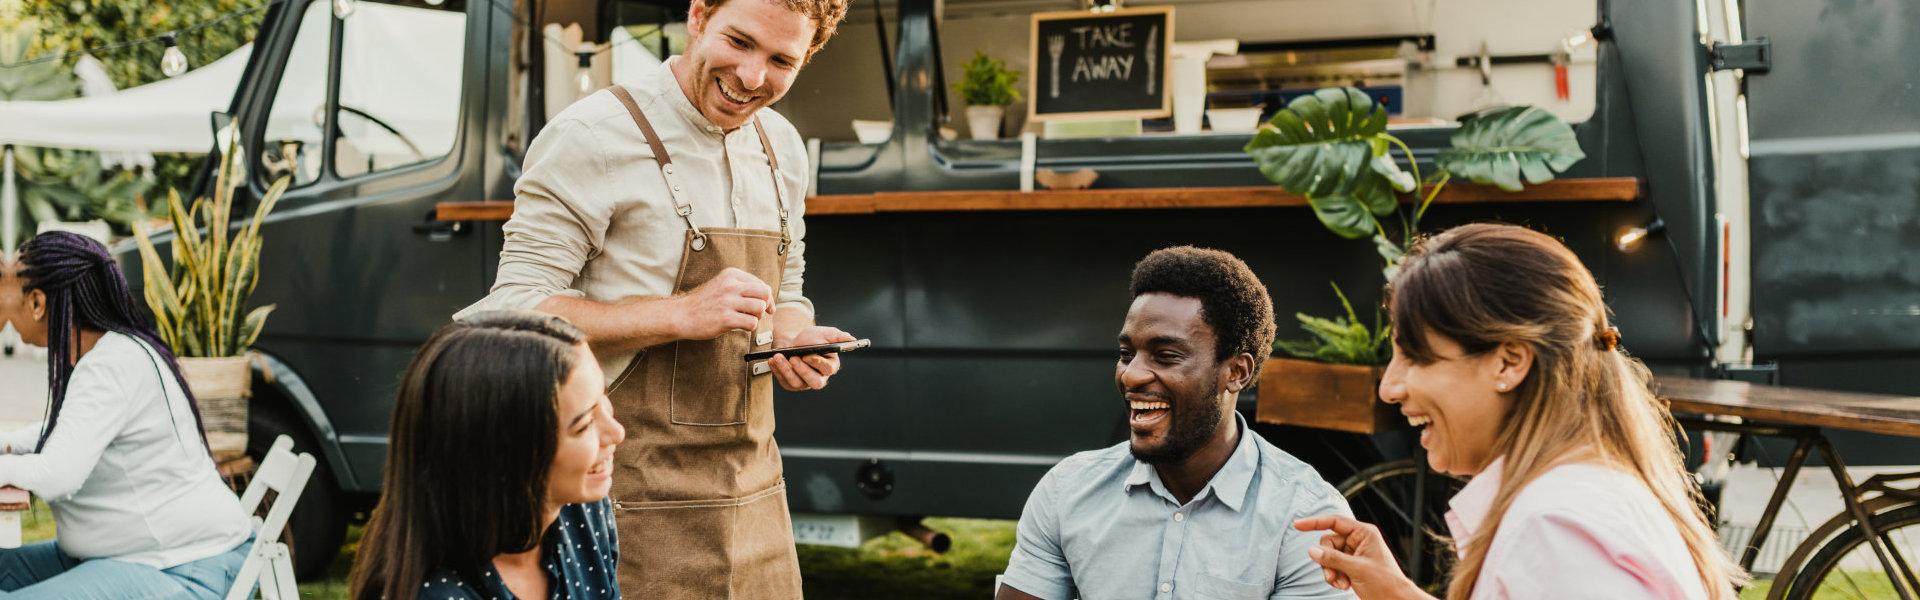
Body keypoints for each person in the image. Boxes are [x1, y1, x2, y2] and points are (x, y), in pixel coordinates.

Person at [457, 0, 853, 595]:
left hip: (755, 497)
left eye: (780, 60)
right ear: (697, 16)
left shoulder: (782, 147)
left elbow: (789, 290)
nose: (751, 78)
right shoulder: (591, 136)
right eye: (738, 42)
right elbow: (511, 312)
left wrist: (793, 337)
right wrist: (680, 313)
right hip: (620, 497)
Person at [1292, 223, 1746, 599]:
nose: (1389, 388)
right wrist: (1395, 591)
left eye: (1415, 356)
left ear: (1509, 362)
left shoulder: (1555, 532)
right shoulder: (1573, 505)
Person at [997, 246, 1358, 600]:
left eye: (1166, 356)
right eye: (1126, 354)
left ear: (1236, 372)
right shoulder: (1068, 491)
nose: (1132, 375)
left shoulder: (1306, 517)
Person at [0, 231, 252, 599]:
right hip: (138, 555)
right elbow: (69, 431)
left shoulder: (109, 366)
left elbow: (57, 475)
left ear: (37, 302)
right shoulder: (119, 351)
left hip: (181, 569)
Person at [349, 311, 623, 600]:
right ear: (507, 455)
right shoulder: (437, 592)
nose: (616, 433)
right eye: (584, 424)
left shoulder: (577, 508)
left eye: (603, 399)